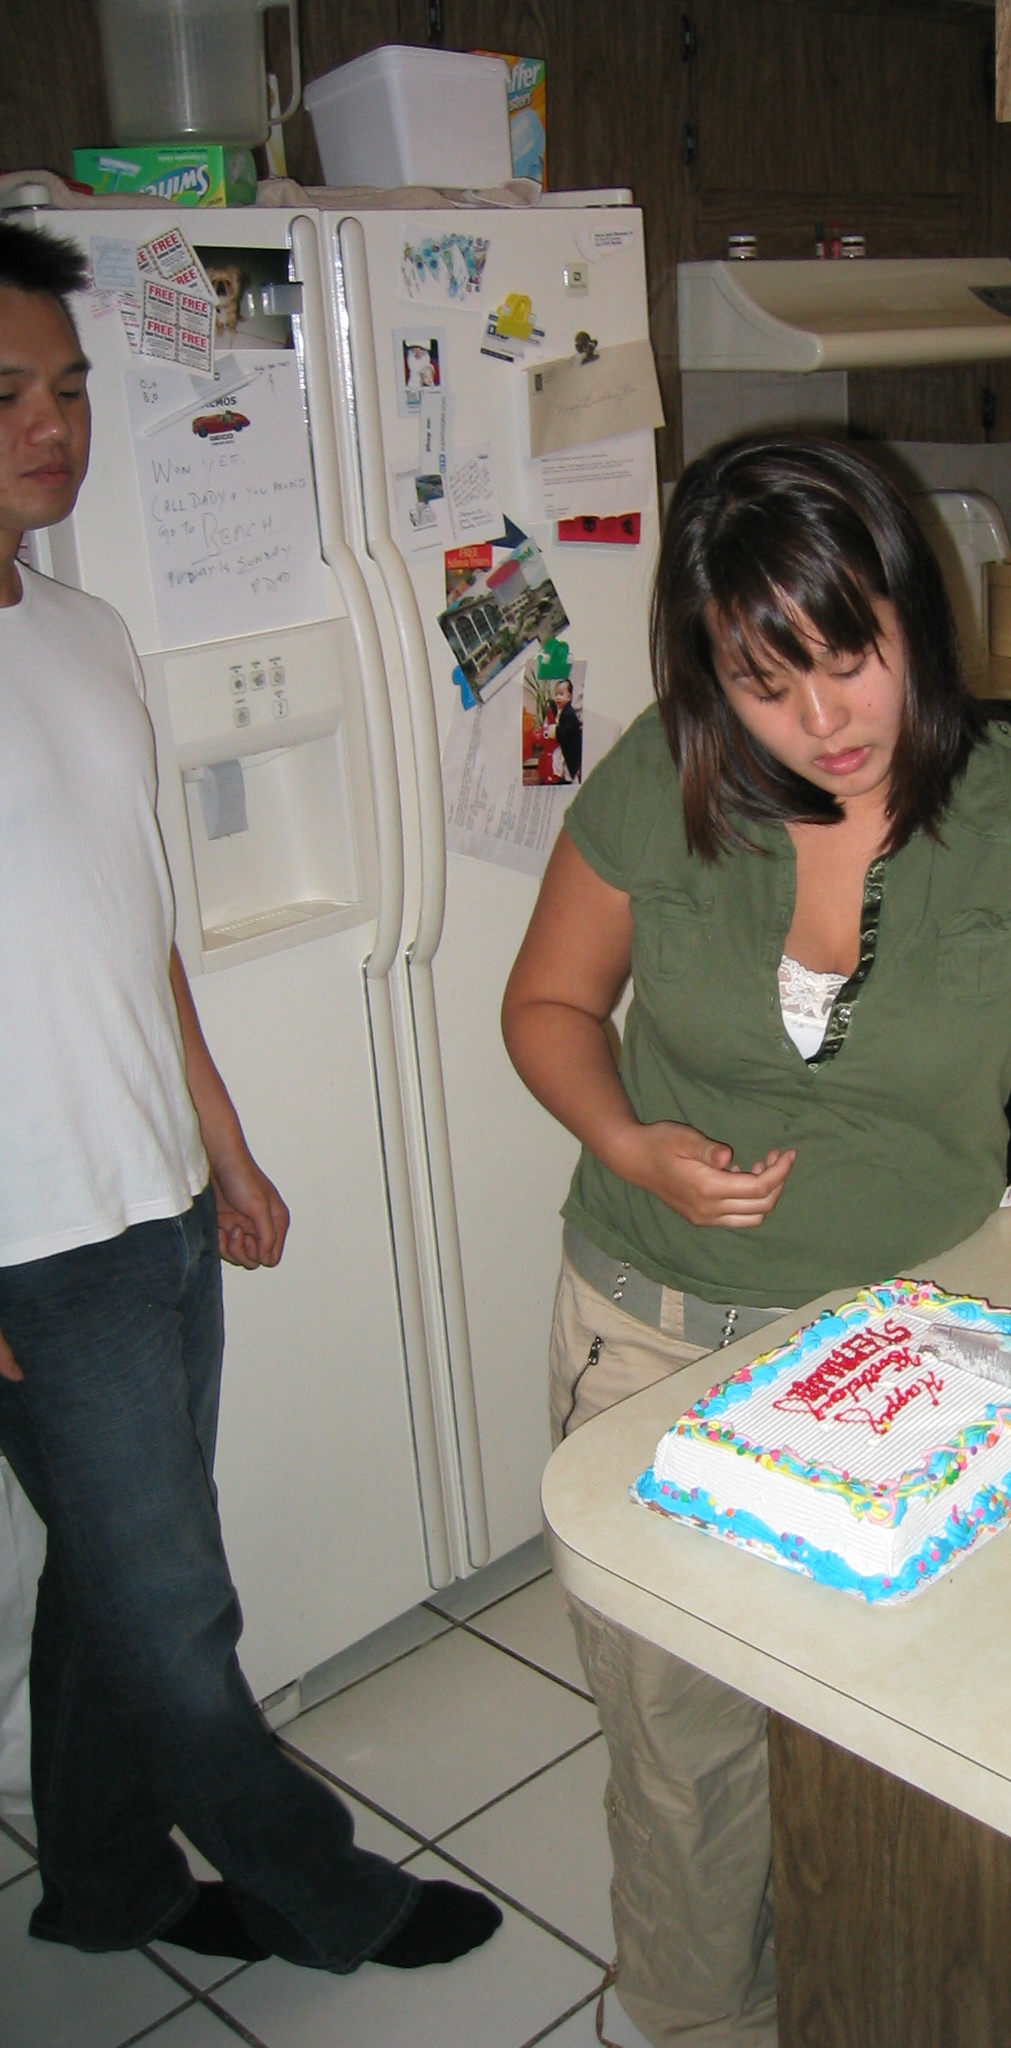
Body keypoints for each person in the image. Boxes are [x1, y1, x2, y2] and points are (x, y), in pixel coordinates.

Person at [502, 436, 1011, 2046]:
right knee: (684, 1755)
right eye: (765, 682)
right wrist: (626, 1139)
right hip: (655, 1341)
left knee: (902, 1742)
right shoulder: (661, 776)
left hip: (919, 1352)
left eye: (854, 653)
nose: (824, 718)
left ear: (914, 615)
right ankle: (693, 2024)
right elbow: (545, 1002)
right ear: (709, 678)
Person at [0, 219, 501, 1972]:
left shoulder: (81, 630)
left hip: (147, 1195)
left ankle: (107, 1884)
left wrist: (220, 1145)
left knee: (110, 1587)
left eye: (69, 389)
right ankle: (325, 1898)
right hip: (30, 1246)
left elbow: (132, 933)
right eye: (4, 392)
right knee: (174, 1610)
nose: (51, 425)